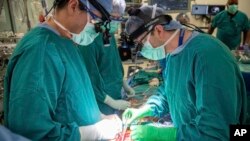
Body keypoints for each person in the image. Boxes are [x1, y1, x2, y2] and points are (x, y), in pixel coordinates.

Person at [122, 5, 247, 141]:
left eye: (141, 43)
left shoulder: (208, 56)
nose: (141, 50)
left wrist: (167, 135)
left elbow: (217, 131)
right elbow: (171, 90)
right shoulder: (173, 53)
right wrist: (150, 107)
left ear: (158, 30)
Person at [4, 0, 122, 140]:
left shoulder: (67, 43)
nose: (98, 30)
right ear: (73, 6)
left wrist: (100, 117)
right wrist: (92, 132)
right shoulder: (40, 51)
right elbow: (31, 132)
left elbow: (75, 98)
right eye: (96, 21)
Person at [76, 0, 135, 115]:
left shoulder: (108, 34)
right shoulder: (89, 40)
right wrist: (111, 102)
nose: (115, 24)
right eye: (113, 19)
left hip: (115, 93)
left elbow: (114, 62)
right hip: (101, 103)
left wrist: (123, 83)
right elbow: (89, 79)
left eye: (118, 19)